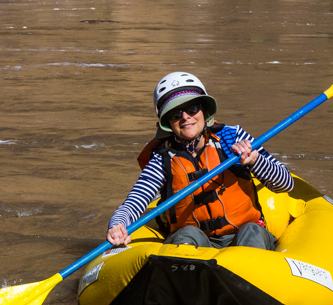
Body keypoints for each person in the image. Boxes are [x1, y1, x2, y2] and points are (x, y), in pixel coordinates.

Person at [107, 72, 294, 251]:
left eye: (192, 108)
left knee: (251, 231)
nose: (185, 117)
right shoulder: (162, 158)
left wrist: (255, 161)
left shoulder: (233, 138)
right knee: (187, 234)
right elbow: (135, 202)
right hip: (195, 242)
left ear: (204, 110)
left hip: (243, 234)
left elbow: (286, 183)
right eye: (175, 114)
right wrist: (117, 225)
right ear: (167, 123)